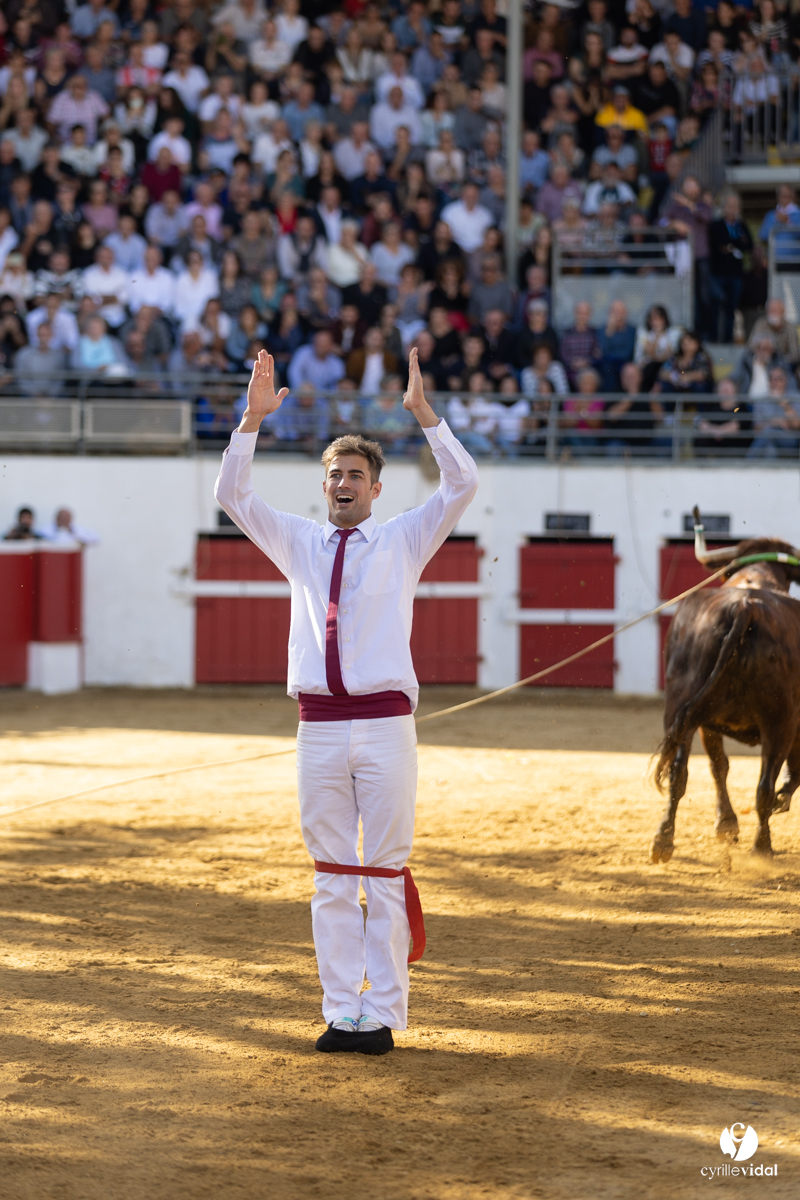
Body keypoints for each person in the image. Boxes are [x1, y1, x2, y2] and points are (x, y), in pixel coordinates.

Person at [214, 347, 478, 1055]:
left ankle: (384, 1015)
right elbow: (232, 497)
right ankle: (342, 1012)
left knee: (384, 868)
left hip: (387, 723)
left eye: (355, 475)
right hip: (320, 727)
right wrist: (252, 419)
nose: (341, 483)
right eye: (333, 474)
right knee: (332, 873)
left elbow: (461, 483)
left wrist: (426, 415)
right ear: (323, 484)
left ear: (376, 488)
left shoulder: (404, 538)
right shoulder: (298, 542)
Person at [709, 191, 753, 344]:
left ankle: (728, 340)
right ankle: (714, 338)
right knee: (716, 307)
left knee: (731, 310)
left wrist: (731, 246)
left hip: (736, 274)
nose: (732, 209)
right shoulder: (716, 225)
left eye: (735, 206)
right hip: (718, 274)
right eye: (729, 206)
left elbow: (748, 245)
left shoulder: (741, 225)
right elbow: (717, 245)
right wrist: (734, 244)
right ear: (723, 208)